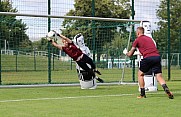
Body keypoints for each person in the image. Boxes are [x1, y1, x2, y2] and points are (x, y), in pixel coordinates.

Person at [123, 27, 174, 99]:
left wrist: (126, 53)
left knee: (140, 74)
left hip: (148, 58)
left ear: (138, 33)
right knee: (159, 76)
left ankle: (142, 93)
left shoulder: (137, 40)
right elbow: (148, 50)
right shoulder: (149, 39)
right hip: (157, 57)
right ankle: (166, 89)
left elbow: (130, 54)